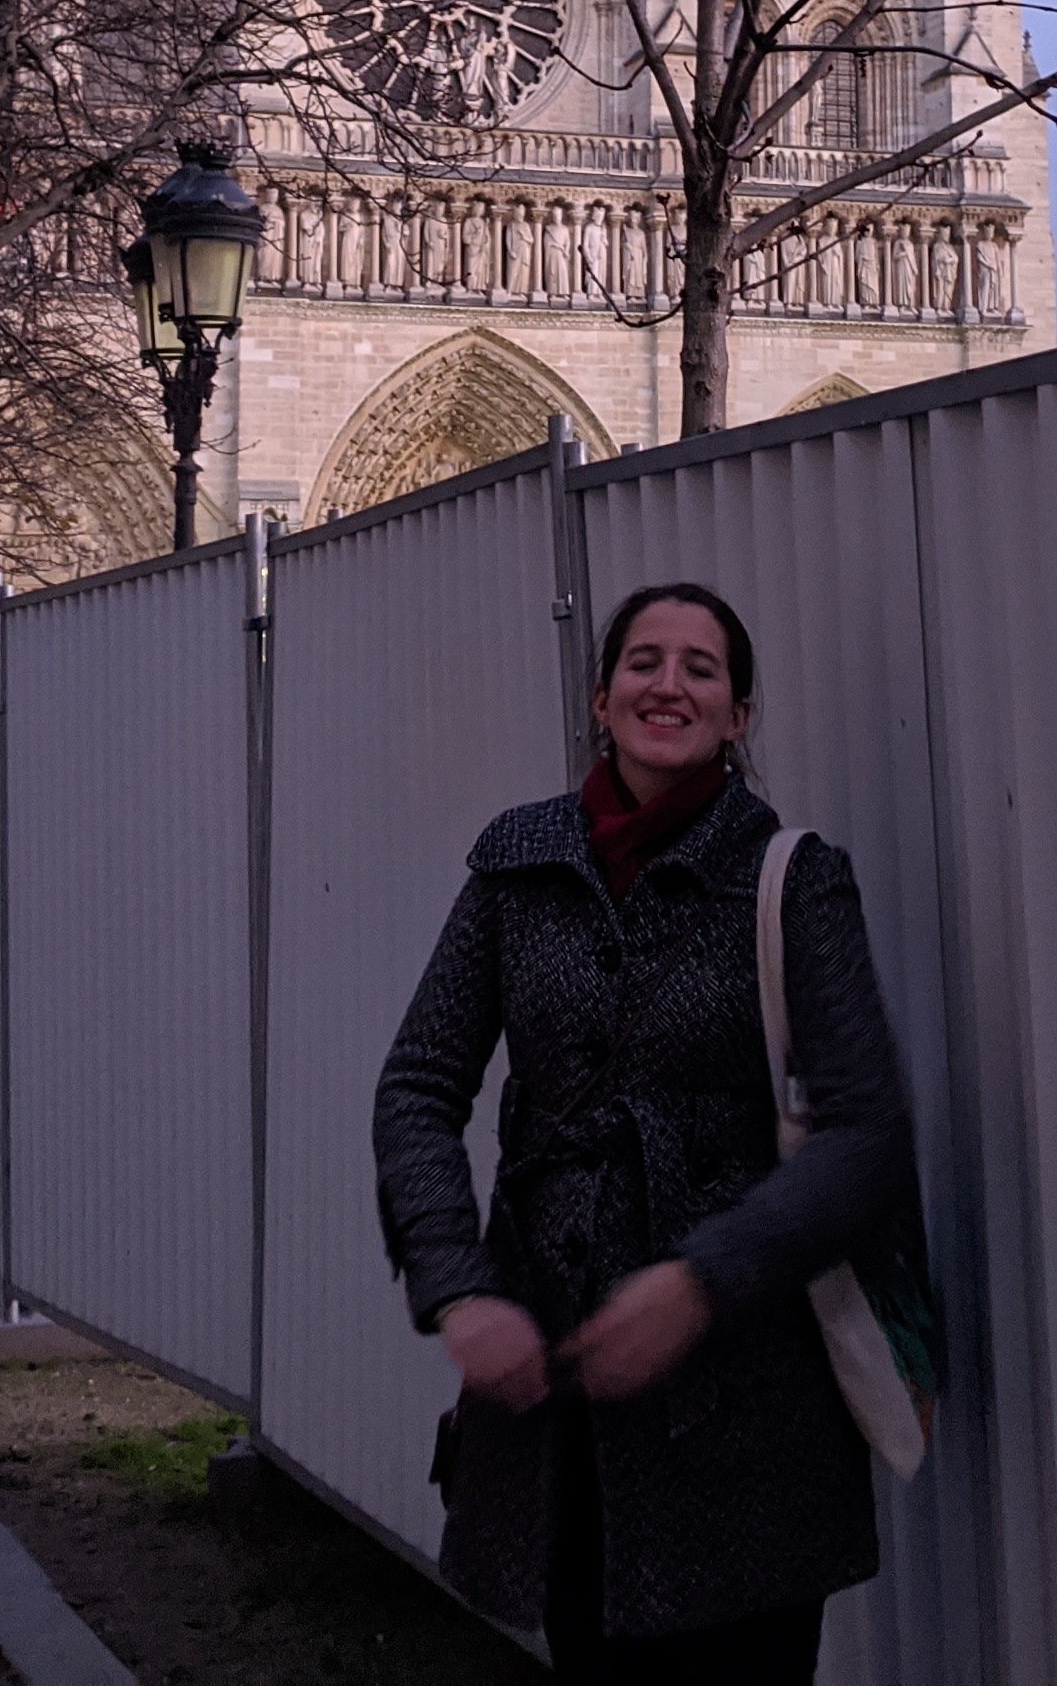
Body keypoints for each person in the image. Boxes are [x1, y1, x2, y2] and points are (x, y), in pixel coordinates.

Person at [374, 583, 914, 1684]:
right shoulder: (516, 868)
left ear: (739, 715)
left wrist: (701, 1281)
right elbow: (420, 1087)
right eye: (645, 662)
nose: (669, 684)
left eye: (701, 669)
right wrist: (458, 1285)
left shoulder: (793, 881)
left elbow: (865, 1130)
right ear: (603, 694)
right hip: (563, 1405)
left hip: (748, 1412)